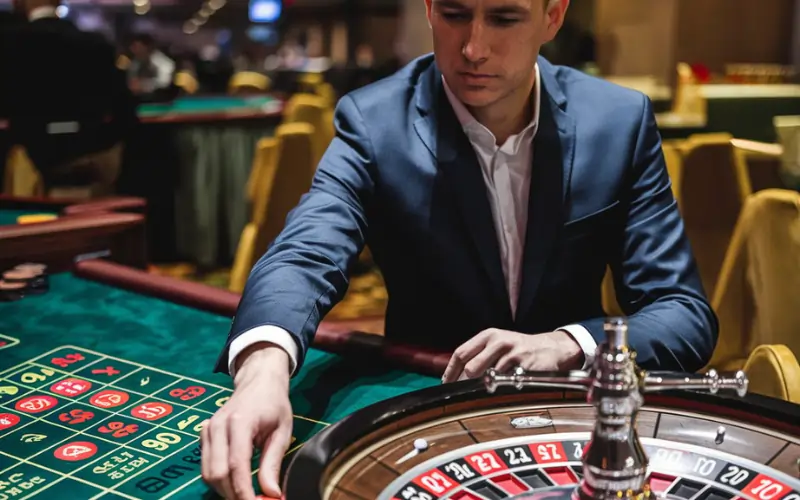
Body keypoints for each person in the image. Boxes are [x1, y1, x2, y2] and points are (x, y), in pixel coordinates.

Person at [201, 0, 717, 498]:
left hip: (572, 416)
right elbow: (306, 252)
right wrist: (263, 369)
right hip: (422, 412)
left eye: (503, 18)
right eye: (454, 15)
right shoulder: (375, 122)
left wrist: (565, 345)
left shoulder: (618, 121)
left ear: (552, 16)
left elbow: (684, 313)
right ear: (429, 9)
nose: (473, 48)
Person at [0, 0, 138, 198]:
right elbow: (125, 111)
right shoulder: (96, 43)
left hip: (30, 166)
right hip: (91, 162)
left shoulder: (8, 41)